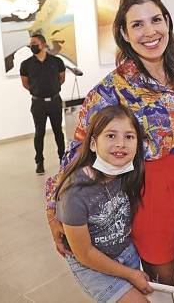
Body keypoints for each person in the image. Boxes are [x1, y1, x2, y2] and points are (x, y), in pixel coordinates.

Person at [45, 0, 174, 301]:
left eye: (156, 20)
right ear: (124, 34)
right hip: (150, 190)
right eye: (137, 24)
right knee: (162, 283)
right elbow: (77, 151)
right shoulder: (112, 90)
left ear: (167, 21)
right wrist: (53, 209)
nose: (150, 31)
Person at [54, 104, 152, 302]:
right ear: (92, 144)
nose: (120, 144)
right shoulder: (74, 194)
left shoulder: (128, 172)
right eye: (110, 136)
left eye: (129, 137)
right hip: (92, 265)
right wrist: (130, 274)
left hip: (126, 252)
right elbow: (85, 254)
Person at [20, 34, 66, 174]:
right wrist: (37, 91)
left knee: (58, 131)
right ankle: (39, 162)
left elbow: (61, 79)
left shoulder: (56, 61)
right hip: (38, 103)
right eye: (31, 43)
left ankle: (62, 159)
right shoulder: (26, 64)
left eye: (35, 43)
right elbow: (25, 83)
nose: (32, 45)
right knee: (39, 133)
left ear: (43, 44)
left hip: (55, 101)